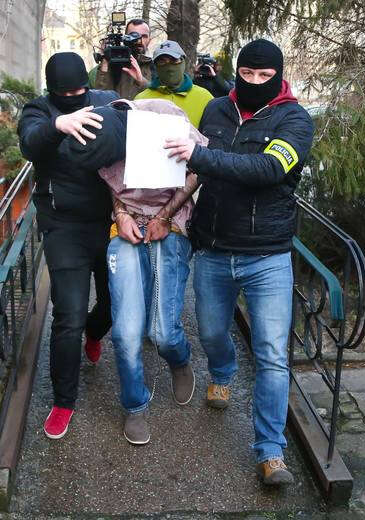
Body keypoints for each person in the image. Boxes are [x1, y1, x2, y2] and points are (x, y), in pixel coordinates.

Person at [164, 39, 314, 485]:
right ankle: (222, 371)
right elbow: (197, 173)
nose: (254, 82)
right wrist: (167, 213)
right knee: (211, 332)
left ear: (279, 76)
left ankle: (270, 451)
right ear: (238, 71)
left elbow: (270, 170)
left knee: (272, 355)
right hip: (213, 249)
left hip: (268, 256)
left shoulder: (295, 119)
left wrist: (200, 155)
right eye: (247, 74)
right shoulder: (216, 110)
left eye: (264, 76)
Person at [64, 98, 207, 444]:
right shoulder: (94, 137)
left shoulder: (164, 116)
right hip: (126, 224)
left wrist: (165, 216)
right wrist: (121, 213)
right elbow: (109, 185)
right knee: (126, 333)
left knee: (162, 332)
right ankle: (134, 403)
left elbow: (199, 168)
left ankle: (179, 359)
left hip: (171, 218)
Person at [18, 52, 118, 439]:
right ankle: (64, 401)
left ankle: (95, 332)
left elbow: (133, 126)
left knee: (115, 304)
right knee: (68, 316)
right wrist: (58, 124)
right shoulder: (39, 111)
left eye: (80, 91)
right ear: (52, 91)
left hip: (111, 222)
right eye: (67, 94)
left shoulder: (105, 101)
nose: (75, 98)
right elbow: (30, 143)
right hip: (64, 227)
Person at [135, 41, 213, 128]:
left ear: (183, 62)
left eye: (174, 60)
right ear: (156, 66)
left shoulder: (204, 98)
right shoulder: (141, 100)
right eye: (162, 62)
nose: (169, 67)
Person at [90, 18, 153, 100]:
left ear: (149, 40)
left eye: (144, 36)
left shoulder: (155, 66)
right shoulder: (108, 66)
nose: (138, 41)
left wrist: (141, 81)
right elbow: (100, 99)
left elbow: (160, 98)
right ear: (124, 38)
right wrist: (105, 62)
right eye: (133, 36)